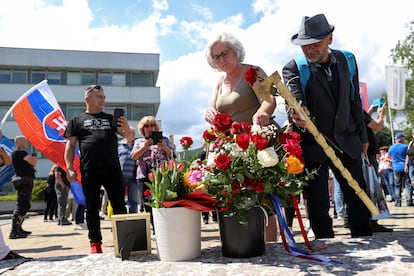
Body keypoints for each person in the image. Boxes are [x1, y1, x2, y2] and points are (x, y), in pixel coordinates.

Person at [282, 14, 372, 238]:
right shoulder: (294, 67)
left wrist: (363, 137)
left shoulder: (348, 60)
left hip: (347, 142)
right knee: (318, 206)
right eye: (305, 45)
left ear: (330, 39)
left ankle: (364, 240)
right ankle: (326, 249)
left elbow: (354, 101)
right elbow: (293, 99)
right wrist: (296, 113)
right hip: (313, 146)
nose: (309, 49)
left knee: (358, 200)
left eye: (315, 43)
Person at [64, 85, 130, 254]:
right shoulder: (76, 120)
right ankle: (95, 244)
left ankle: (123, 241)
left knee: (119, 206)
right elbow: (70, 147)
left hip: (112, 169)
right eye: (99, 96)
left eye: (104, 97)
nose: (103, 100)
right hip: (89, 169)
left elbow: (129, 137)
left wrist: (128, 129)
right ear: (88, 99)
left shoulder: (110, 118)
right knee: (92, 207)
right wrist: (70, 168)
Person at [204, 32, 276, 126]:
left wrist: (262, 113)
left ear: (235, 50)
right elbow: (212, 109)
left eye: (224, 54)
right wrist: (209, 114)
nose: (222, 60)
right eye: (216, 57)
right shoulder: (220, 82)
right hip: (234, 139)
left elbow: (269, 99)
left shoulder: (253, 71)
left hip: (262, 135)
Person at [131, 116, 176, 233]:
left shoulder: (164, 140)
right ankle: (155, 228)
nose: (150, 128)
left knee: (163, 201)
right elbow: (134, 156)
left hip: (162, 175)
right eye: (146, 126)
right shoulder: (138, 141)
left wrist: (164, 147)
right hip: (144, 176)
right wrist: (144, 147)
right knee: (148, 203)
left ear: (156, 127)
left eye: (152, 125)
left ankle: (165, 227)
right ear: (142, 128)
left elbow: (173, 155)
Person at [363, 104, 393, 232]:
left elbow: (364, 124)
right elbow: (377, 126)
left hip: (358, 153)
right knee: (371, 187)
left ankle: (361, 220)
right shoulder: (357, 110)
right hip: (367, 154)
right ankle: (372, 221)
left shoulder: (346, 109)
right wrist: (381, 115)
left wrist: (368, 113)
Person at [9, 135, 37, 239]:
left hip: (24, 181)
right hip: (23, 181)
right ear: (19, 142)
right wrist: (33, 159)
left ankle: (18, 228)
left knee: (25, 205)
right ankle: (14, 231)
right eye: (25, 141)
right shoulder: (20, 153)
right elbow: (33, 162)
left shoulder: (20, 153)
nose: (27, 143)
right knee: (22, 206)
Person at [118, 127, 138, 213]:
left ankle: (133, 216)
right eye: (130, 133)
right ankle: (121, 215)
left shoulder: (137, 145)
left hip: (133, 176)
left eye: (133, 134)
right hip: (120, 176)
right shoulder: (118, 144)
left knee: (133, 198)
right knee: (119, 198)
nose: (132, 135)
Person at [389, 133, 412, 207]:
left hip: (396, 168)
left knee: (397, 185)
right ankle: (409, 201)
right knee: (408, 184)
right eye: (404, 138)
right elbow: (408, 155)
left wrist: (393, 162)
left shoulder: (391, 147)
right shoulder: (405, 146)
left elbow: (388, 157)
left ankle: (398, 202)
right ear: (401, 139)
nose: (405, 139)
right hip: (406, 167)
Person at [405, 129, 414, 201]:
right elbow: (407, 155)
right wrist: (406, 165)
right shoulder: (411, 143)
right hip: (411, 166)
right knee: (412, 182)